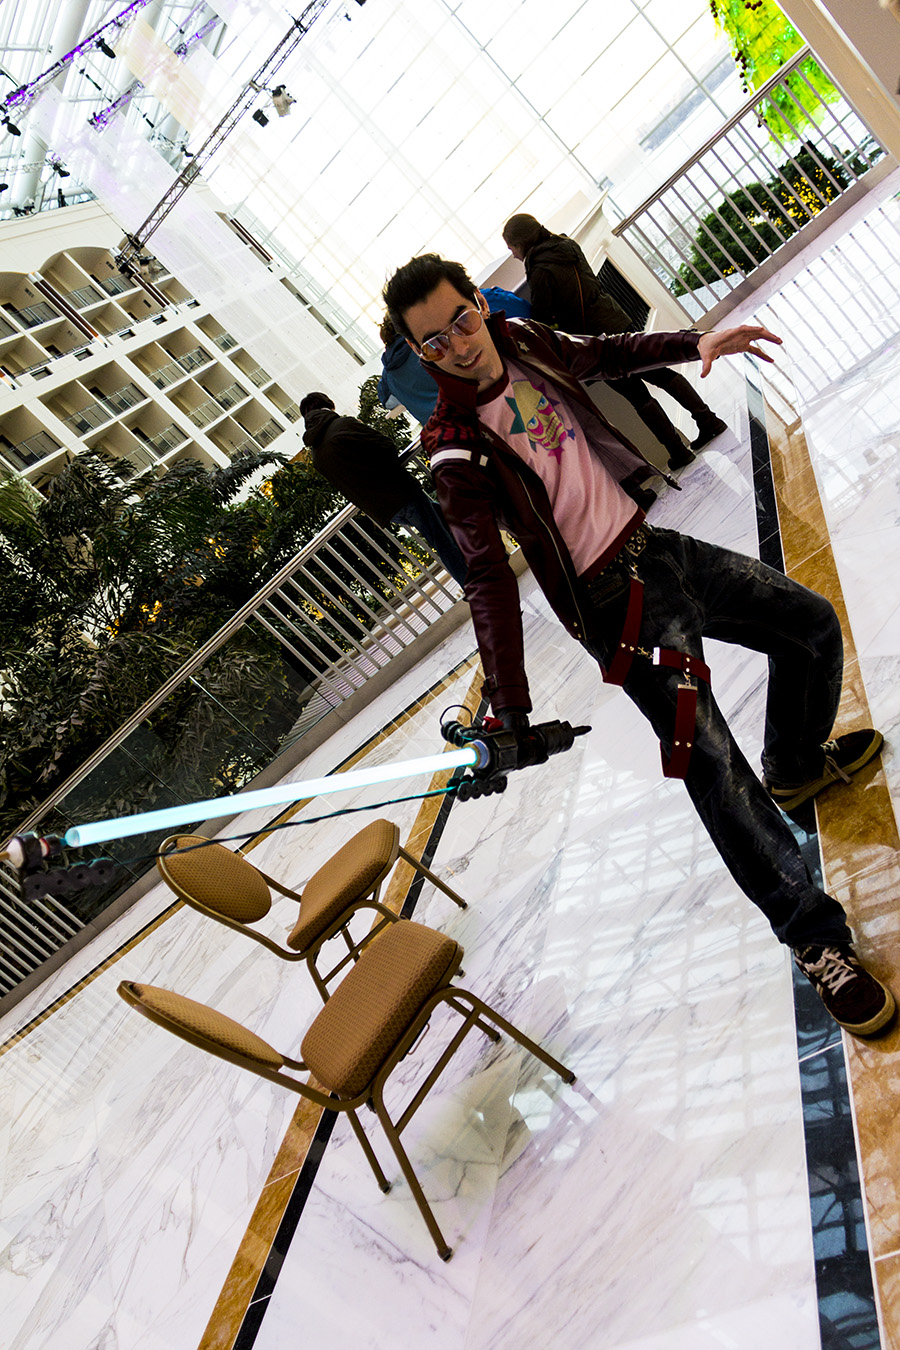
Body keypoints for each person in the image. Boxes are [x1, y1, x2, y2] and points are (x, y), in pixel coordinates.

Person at [381, 252, 892, 1038]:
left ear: (479, 304)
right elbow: (485, 575)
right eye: (435, 341)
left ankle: (793, 765)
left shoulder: (522, 341)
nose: (458, 343)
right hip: (618, 613)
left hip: (657, 551)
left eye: (460, 319)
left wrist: (694, 344)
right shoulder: (454, 446)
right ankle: (815, 940)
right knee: (712, 764)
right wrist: (508, 708)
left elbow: (605, 354)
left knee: (810, 625)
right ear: (422, 354)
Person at [501, 213, 727, 467]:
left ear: (521, 242)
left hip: (595, 343)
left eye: (511, 247)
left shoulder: (539, 270)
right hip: (614, 320)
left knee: (637, 396)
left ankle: (678, 450)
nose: (513, 254)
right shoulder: (566, 245)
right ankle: (708, 420)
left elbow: (543, 317)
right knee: (660, 373)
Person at [299, 391, 467, 587]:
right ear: (328, 405)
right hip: (400, 491)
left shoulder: (317, 456)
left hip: (384, 510)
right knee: (442, 540)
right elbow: (386, 446)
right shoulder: (343, 425)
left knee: (444, 518)